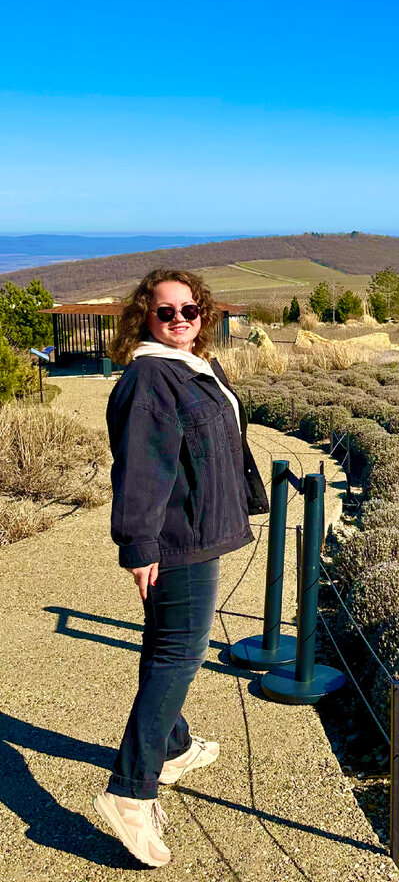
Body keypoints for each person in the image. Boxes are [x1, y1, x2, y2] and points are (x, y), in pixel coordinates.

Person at [92, 269, 268, 868]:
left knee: (165, 647)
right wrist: (139, 546)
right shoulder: (149, 378)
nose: (179, 320)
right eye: (165, 311)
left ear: (204, 314)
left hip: (199, 530)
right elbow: (142, 471)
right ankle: (129, 792)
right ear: (144, 316)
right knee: (178, 655)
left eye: (189, 310)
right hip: (177, 541)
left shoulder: (194, 365)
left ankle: (173, 747)